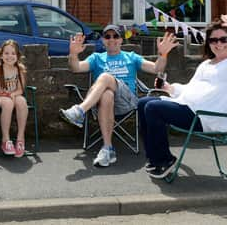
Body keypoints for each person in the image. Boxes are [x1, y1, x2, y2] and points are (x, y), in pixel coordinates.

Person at [138, 14, 227, 179]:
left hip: (208, 117)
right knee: (143, 103)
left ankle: (164, 160)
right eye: (213, 40)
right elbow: (190, 90)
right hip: (189, 108)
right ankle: (155, 156)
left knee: (153, 108)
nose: (219, 44)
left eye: (224, 39)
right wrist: (169, 88)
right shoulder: (206, 64)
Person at [59, 24, 178, 167]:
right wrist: (73, 54)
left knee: (105, 77)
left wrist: (163, 54)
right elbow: (75, 68)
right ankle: (107, 149)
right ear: (103, 40)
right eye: (107, 36)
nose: (112, 39)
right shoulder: (96, 58)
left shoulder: (131, 57)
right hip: (100, 104)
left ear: (121, 40)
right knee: (107, 94)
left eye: (116, 36)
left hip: (126, 102)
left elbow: (156, 68)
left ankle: (80, 111)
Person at [0, 40, 28, 157]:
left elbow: (20, 90)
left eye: (13, 53)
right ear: (1, 55)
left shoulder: (19, 69)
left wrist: (13, 94)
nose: (10, 56)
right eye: (6, 53)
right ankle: (6, 140)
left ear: (17, 56)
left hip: (12, 96)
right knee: (8, 103)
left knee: (22, 101)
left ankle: (20, 139)